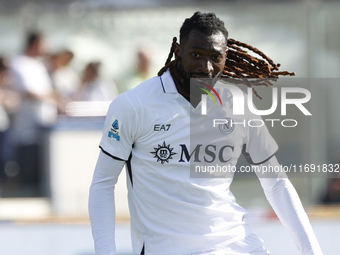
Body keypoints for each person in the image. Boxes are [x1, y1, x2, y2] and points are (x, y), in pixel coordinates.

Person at [89, 12, 323, 255]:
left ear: (225, 57)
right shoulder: (134, 105)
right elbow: (102, 185)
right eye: (196, 55)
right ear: (178, 51)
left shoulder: (237, 104)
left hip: (240, 246)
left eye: (215, 57)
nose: (206, 67)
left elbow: (276, 183)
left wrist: (312, 251)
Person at [9, 32, 62, 195]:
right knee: (29, 180)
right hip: (27, 131)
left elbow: (48, 91)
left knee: (42, 177)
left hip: (45, 129)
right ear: (34, 44)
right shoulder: (18, 63)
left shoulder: (39, 66)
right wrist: (52, 97)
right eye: (43, 44)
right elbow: (30, 92)